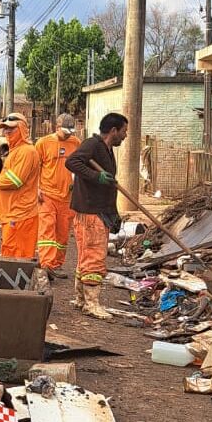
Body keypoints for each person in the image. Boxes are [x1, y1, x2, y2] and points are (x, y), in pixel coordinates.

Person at [65, 112, 129, 318]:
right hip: (90, 212)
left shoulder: (107, 150)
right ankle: (92, 304)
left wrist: (114, 214)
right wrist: (96, 175)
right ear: (113, 131)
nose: (125, 136)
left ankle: (81, 299)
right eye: (124, 131)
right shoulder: (92, 144)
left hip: (100, 210)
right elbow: (72, 162)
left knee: (86, 256)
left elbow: (108, 187)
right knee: (93, 257)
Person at [0, 112, 41, 260]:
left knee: (17, 258)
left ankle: (15, 283)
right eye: (5, 129)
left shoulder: (26, 152)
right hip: (13, 213)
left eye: (11, 129)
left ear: (22, 129)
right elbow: (10, 173)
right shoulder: (15, 151)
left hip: (20, 215)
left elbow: (15, 180)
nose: (7, 132)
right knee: (10, 253)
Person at [34, 113, 81, 277]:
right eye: (65, 130)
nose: (68, 134)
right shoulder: (43, 143)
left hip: (67, 197)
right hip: (47, 195)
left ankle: (57, 265)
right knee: (47, 231)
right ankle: (47, 265)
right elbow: (35, 167)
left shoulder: (75, 143)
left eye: (71, 130)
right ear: (57, 127)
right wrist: (37, 188)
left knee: (62, 234)